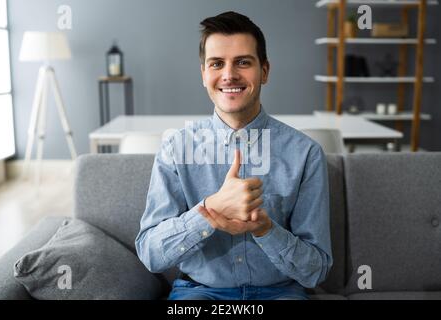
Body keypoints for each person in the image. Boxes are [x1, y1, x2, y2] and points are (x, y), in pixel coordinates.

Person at [135, 11, 332, 300]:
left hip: (280, 293)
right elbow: (151, 254)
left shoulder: (306, 154)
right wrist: (210, 212)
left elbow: (316, 270)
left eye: (243, 62)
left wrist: (266, 229)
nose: (229, 75)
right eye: (217, 64)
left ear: (264, 71)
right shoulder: (175, 150)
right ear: (204, 74)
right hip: (200, 293)